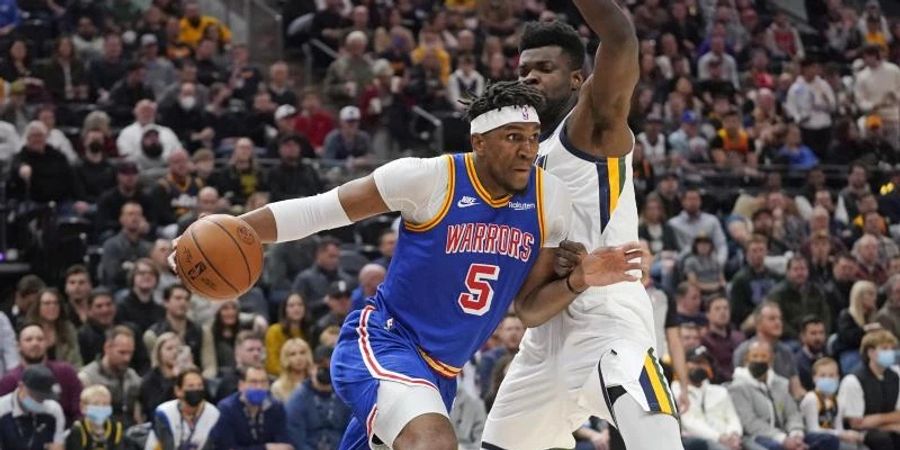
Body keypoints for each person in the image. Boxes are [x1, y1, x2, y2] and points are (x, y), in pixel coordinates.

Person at [172, 80, 642, 450]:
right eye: (512, 137)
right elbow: (317, 211)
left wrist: (580, 279)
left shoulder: (549, 198)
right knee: (435, 441)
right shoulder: (429, 179)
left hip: (442, 374)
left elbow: (531, 308)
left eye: (533, 137)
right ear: (479, 142)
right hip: (383, 342)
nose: (526, 149)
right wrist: (230, 228)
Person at [483, 2, 683, 447]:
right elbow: (528, 305)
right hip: (544, 340)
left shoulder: (590, 129)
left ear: (578, 79)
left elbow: (620, 37)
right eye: (524, 70)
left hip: (608, 324)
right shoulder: (523, 165)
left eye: (545, 68)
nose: (529, 77)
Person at [729, 340, 839, 450]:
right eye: (755, 356)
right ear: (746, 360)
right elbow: (750, 423)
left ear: (771, 360)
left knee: (828, 440)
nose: (759, 360)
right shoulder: (738, 387)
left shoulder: (780, 384)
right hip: (757, 437)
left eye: (764, 356)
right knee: (775, 447)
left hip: (787, 434)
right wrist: (782, 439)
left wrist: (796, 434)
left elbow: (792, 413)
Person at [0, 324, 83, 424]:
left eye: (40, 339)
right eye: (29, 339)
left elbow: (79, 410)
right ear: (18, 346)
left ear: (47, 343)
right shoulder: (9, 380)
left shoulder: (66, 372)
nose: (35, 343)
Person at [836, 330, 900, 450]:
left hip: (886, 428)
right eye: (885, 348)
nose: (890, 353)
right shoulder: (853, 380)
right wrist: (889, 423)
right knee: (881, 439)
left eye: (892, 349)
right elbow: (856, 423)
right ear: (870, 352)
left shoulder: (895, 376)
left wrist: (876, 420)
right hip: (858, 434)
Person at [672, 348, 742, 450]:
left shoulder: (720, 391)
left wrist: (734, 435)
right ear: (683, 364)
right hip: (697, 443)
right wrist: (719, 438)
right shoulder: (676, 391)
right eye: (696, 362)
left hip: (729, 441)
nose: (700, 367)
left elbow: (733, 418)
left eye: (705, 363)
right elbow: (689, 423)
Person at [733, 302, 806, 398]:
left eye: (779, 318)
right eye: (772, 319)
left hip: (785, 404)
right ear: (758, 324)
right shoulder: (743, 351)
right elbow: (739, 388)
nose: (778, 322)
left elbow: (796, 388)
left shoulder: (786, 352)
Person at [285, 345, 351, 450]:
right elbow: (297, 439)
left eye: (330, 367)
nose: (326, 371)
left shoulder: (346, 398)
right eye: (322, 367)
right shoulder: (298, 399)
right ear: (311, 368)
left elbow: (351, 434)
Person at [212, 366, 291, 449]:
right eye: (253, 382)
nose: (259, 387)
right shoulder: (226, 409)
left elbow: (284, 445)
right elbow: (228, 448)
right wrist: (265, 448)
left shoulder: (276, 407)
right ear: (241, 385)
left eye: (263, 382)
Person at [77, 326, 141, 426]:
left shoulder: (133, 377)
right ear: (107, 348)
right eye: (122, 352)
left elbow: (139, 416)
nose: (127, 359)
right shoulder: (87, 378)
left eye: (130, 353)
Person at [146, 368, 220, 450]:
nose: (196, 389)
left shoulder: (213, 414)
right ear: (178, 391)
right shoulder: (164, 413)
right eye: (191, 386)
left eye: (200, 385)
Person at [799, 358, 864, 450]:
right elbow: (813, 429)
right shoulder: (811, 398)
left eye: (831, 375)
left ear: (838, 377)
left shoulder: (838, 401)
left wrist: (851, 435)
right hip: (813, 439)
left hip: (832, 438)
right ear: (814, 378)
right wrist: (841, 434)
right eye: (822, 376)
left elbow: (838, 427)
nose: (827, 379)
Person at [0, 365, 66, 450]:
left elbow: (58, 446)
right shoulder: (2, 409)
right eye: (35, 396)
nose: (39, 401)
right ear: (21, 386)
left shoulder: (54, 410)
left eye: (43, 397)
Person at [143, 285, 203, 370]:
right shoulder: (153, 334)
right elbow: (155, 367)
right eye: (178, 298)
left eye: (186, 299)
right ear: (166, 302)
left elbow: (209, 366)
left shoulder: (199, 330)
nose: (183, 302)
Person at [834, 280, 881, 373]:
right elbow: (847, 338)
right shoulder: (846, 315)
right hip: (851, 352)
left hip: (870, 352)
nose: (874, 298)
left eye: (875, 294)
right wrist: (865, 330)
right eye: (871, 294)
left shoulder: (873, 316)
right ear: (859, 296)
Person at [28, 288, 81, 367]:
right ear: (38, 307)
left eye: (56, 303)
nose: (52, 306)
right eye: (47, 303)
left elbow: (76, 361)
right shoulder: (29, 330)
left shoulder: (68, 329)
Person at [138, 332, 183, 421]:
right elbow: (156, 409)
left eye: (179, 349)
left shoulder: (187, 375)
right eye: (169, 349)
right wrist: (173, 380)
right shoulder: (150, 380)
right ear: (159, 353)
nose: (175, 352)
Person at [477, 315, 524, 398]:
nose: (514, 333)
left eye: (517, 328)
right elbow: (486, 394)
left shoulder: (531, 357)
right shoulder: (489, 359)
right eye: (509, 329)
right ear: (500, 332)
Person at [65, 385, 126, 450]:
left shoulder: (116, 428)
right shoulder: (78, 429)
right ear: (83, 407)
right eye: (95, 404)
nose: (101, 408)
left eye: (105, 404)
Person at [701, 296, 744, 382]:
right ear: (708, 314)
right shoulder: (704, 340)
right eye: (717, 309)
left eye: (726, 308)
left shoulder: (740, 337)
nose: (723, 312)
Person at [265, 293, 308, 376]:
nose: (296, 308)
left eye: (300, 305)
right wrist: (291, 375)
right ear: (285, 309)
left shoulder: (310, 331)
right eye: (291, 306)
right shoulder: (274, 331)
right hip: (280, 378)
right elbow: (272, 364)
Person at [794, 316, 828, 391]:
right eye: (813, 333)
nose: (818, 337)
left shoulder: (829, 356)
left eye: (821, 333)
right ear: (802, 336)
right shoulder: (797, 363)